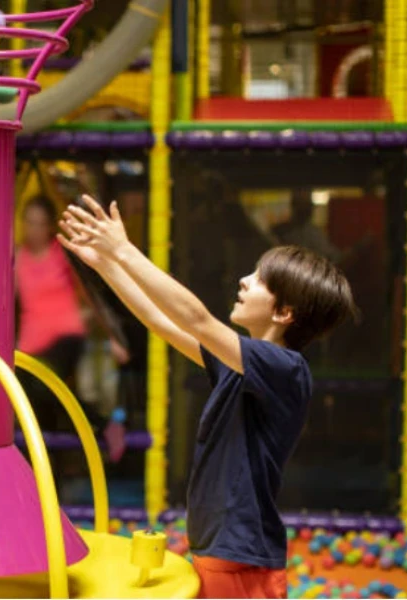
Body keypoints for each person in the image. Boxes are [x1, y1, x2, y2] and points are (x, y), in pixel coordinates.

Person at [59, 195, 356, 599]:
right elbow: (159, 320)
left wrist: (125, 251)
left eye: (258, 279)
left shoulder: (285, 369)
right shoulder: (239, 365)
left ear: (284, 312)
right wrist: (106, 265)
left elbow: (196, 318)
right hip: (219, 550)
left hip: (244, 561)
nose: (244, 281)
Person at [15, 196, 128, 438]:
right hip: (29, 345)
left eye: (39, 223)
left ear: (49, 227)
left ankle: (102, 424)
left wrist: (114, 337)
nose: (33, 229)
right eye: (29, 222)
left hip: (66, 336)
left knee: (46, 386)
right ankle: (52, 469)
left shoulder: (61, 254)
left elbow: (90, 297)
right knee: (36, 404)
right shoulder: (17, 259)